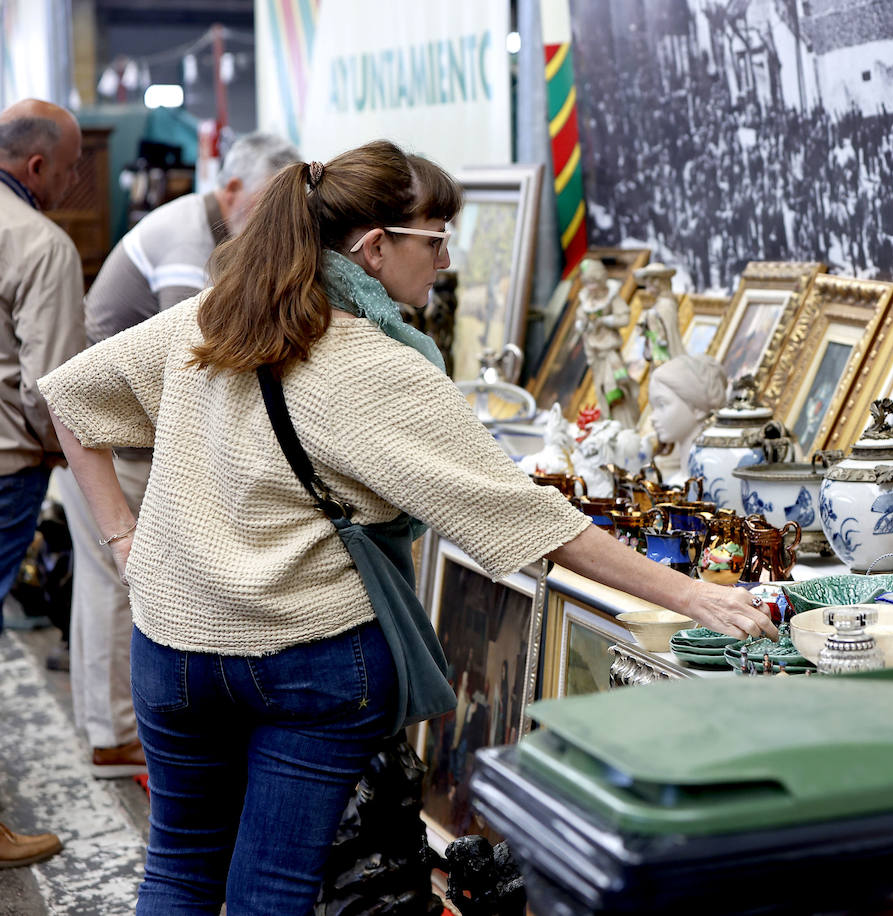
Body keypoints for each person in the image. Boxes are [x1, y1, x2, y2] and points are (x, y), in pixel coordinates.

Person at [39, 140, 773, 914]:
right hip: (310, 661)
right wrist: (694, 597)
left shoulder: (208, 320)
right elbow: (533, 521)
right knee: (271, 891)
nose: (447, 259)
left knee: (180, 871)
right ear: (375, 248)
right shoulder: (375, 367)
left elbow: (70, 396)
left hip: (174, 648)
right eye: (436, 237)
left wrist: (125, 535)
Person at [56, 131, 300, 781]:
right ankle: (114, 736)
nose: (280, 221)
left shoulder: (212, 229)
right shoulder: (191, 245)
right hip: (109, 441)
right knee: (121, 582)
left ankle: (105, 725)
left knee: (105, 586)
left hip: (115, 431)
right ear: (232, 191)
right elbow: (196, 359)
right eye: (270, 202)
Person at [0, 98, 86, 870]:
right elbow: (49, 387)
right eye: (70, 166)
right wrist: (71, 456)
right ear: (35, 167)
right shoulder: (41, 243)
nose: (75, 179)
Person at [647, 354, 728, 484]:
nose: (653, 417)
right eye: (653, 407)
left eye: (661, 404)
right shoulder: (673, 482)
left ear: (697, 408)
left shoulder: (713, 483)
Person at [577, 259, 639, 427]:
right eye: (587, 283)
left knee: (614, 387)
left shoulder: (611, 296)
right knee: (601, 389)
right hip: (595, 351)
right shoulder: (586, 300)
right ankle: (610, 421)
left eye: (593, 283)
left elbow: (624, 317)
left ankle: (624, 423)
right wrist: (583, 324)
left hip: (609, 351)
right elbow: (581, 319)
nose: (590, 288)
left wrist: (605, 320)